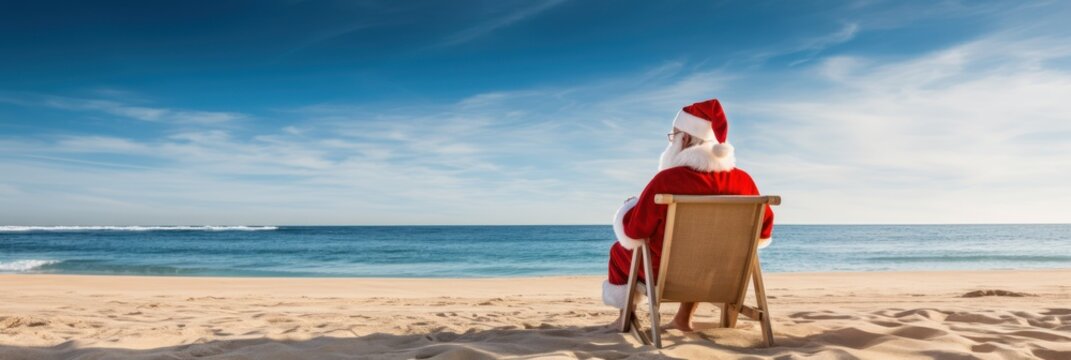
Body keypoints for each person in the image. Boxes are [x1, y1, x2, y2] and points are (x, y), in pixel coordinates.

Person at [604, 98, 774, 331]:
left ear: (684, 139)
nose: (672, 141)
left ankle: (625, 316)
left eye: (673, 136)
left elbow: (635, 231)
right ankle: (684, 318)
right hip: (720, 274)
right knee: (706, 251)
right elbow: (763, 232)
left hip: (667, 274)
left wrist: (629, 208)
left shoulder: (668, 180)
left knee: (619, 251)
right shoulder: (743, 181)